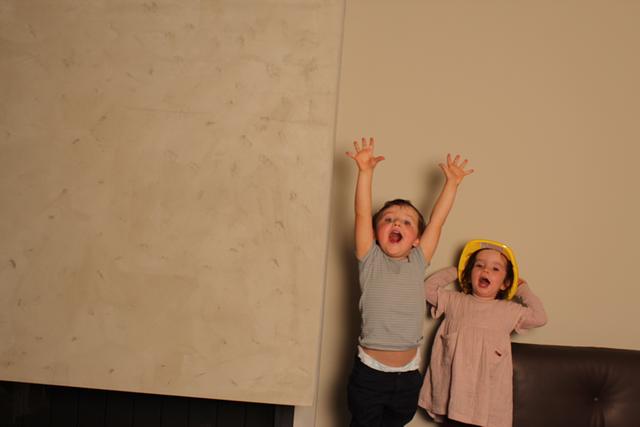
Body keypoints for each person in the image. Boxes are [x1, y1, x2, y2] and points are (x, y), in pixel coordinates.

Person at [345, 137, 474, 427]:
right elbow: (361, 213)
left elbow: (437, 221)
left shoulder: (417, 260)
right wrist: (365, 172)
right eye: (388, 219)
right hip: (370, 374)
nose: (396, 223)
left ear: (416, 239)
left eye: (406, 222)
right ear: (375, 233)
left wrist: (452, 184)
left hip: (407, 375)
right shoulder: (370, 258)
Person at [419, 239, 548, 427]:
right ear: (469, 274)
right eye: (479, 265)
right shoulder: (455, 301)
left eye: (495, 269)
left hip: (484, 401)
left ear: (505, 283)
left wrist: (522, 288)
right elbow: (426, 289)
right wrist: (456, 271)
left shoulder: (507, 311)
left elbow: (540, 317)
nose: (485, 271)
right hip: (453, 395)